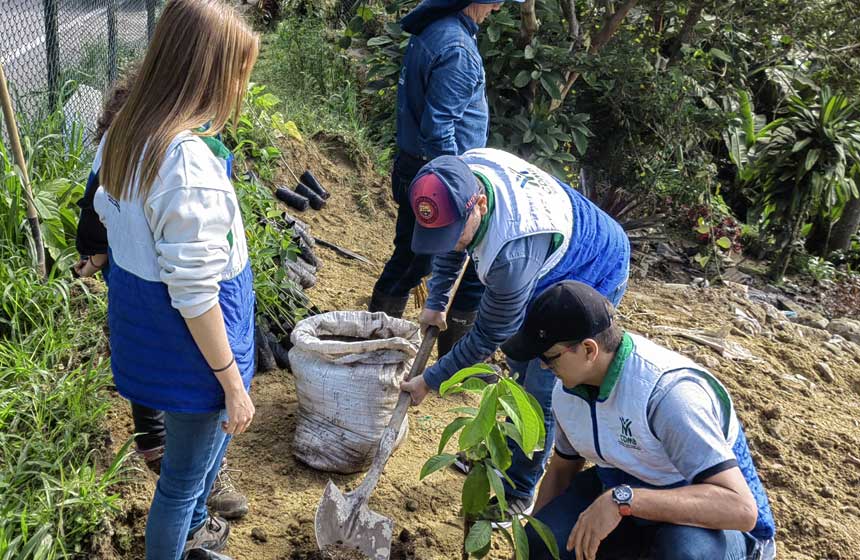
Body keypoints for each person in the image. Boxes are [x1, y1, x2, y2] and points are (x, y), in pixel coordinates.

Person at [89, 1, 258, 558]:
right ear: (209, 74)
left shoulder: (128, 135)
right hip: (193, 353)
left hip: (150, 335)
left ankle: (192, 540)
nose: (242, 88)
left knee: (192, 470)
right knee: (181, 483)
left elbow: (115, 230)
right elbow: (194, 292)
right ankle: (178, 543)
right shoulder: (185, 163)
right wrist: (232, 382)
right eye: (239, 73)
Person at [399, 148, 630, 520]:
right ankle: (494, 452)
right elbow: (448, 241)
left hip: (593, 265)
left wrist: (431, 380)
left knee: (540, 384)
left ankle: (519, 490)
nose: (452, 242)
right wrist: (438, 299)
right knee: (516, 365)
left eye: (456, 234)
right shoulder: (456, 174)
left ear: (481, 205)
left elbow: (488, 334)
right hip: (548, 255)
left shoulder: (510, 258)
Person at [500, 280, 777, 560]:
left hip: (703, 510)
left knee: (685, 554)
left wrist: (623, 500)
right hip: (622, 487)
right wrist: (525, 551)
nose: (543, 367)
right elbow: (562, 469)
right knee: (546, 541)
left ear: (588, 350)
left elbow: (741, 509)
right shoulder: (569, 392)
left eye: (550, 357)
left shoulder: (669, 396)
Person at [369, 0, 522, 358]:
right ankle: (381, 343)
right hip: (440, 178)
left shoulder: (434, 29)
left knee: (415, 258)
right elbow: (439, 130)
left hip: (419, 169)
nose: (497, 9)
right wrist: (457, 190)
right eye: (496, 1)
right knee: (429, 262)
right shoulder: (457, 50)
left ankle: (387, 342)